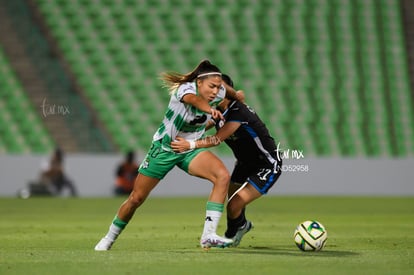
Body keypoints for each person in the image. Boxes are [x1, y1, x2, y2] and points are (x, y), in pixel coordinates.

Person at [95, 60, 244, 251]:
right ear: (199, 83)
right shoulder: (185, 89)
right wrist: (210, 109)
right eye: (211, 86)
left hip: (190, 148)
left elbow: (227, 90)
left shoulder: (220, 90)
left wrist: (237, 95)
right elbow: (193, 100)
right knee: (136, 198)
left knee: (222, 176)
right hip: (165, 149)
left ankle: (208, 235)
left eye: (218, 87)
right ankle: (108, 238)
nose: (216, 91)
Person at [171, 74, 282, 247]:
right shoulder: (219, 111)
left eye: (218, 89)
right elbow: (201, 127)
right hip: (244, 163)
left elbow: (216, 139)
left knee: (234, 205)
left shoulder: (238, 112)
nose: (213, 92)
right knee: (232, 203)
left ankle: (235, 231)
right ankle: (240, 227)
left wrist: (190, 144)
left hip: (266, 163)